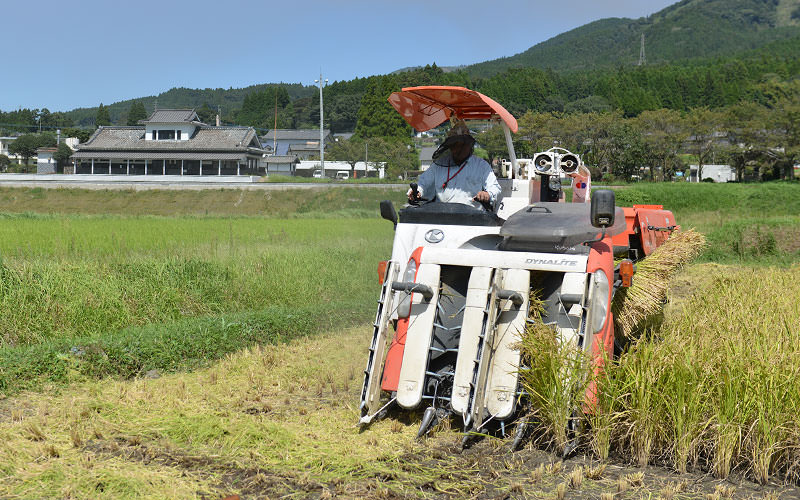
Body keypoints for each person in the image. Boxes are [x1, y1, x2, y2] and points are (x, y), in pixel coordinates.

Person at [409, 120, 501, 210]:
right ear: (450, 146)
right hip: (441, 215)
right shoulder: (438, 166)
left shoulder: (481, 166)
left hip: (474, 216)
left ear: (469, 145)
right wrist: (417, 192)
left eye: (461, 145)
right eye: (454, 145)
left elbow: (495, 187)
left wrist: (487, 194)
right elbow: (423, 183)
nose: (458, 149)